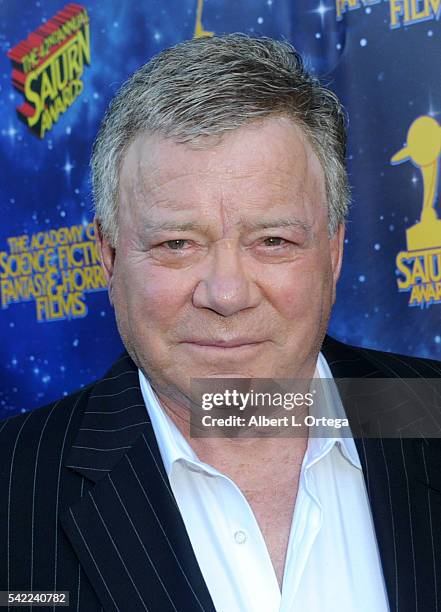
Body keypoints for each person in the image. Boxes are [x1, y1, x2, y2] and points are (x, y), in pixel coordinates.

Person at [1, 34, 440, 612]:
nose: (226, 294)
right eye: (177, 243)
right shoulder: (13, 486)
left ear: (333, 253)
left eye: (273, 240)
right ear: (108, 257)